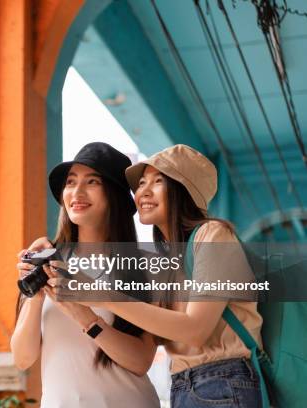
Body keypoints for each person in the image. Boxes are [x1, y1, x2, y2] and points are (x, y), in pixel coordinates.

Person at [76, 144, 263, 407]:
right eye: (141, 183)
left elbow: (195, 330)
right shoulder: (165, 261)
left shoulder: (213, 236)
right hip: (183, 386)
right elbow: (150, 338)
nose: (143, 191)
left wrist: (105, 298)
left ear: (183, 190)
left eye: (158, 181)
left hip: (222, 381)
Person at [10, 142, 160, 408]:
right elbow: (22, 358)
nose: (76, 192)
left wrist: (83, 315)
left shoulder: (143, 266)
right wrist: (38, 283)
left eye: (92, 182)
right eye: (70, 182)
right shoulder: (48, 258)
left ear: (114, 194)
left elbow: (140, 361)